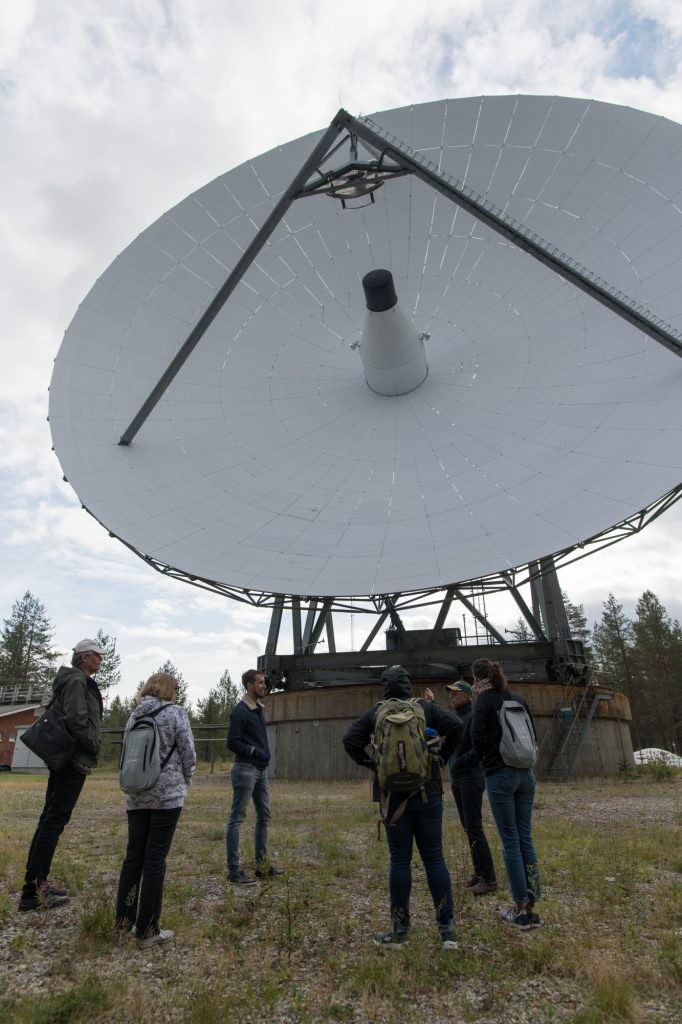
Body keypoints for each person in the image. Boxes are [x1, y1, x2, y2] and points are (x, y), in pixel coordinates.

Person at [342, 666, 463, 949]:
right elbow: (457, 727)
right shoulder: (424, 708)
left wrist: (372, 763)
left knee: (399, 860)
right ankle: (447, 933)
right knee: (434, 858)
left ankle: (399, 931)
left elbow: (349, 740)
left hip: (392, 797)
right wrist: (440, 758)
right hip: (427, 791)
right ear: (409, 686)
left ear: (385, 688)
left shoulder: (377, 712)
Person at [18, 639, 105, 912]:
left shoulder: (70, 680)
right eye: (97, 656)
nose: (101, 661)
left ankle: (37, 882)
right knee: (54, 820)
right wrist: (94, 744)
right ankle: (32, 892)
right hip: (72, 758)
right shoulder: (78, 682)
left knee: (50, 818)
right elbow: (77, 719)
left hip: (64, 757)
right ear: (84, 658)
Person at [115, 672, 196, 947]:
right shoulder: (176, 713)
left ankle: (123, 924)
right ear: (171, 690)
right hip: (167, 796)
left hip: (136, 794)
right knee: (155, 859)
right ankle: (148, 930)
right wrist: (185, 781)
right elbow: (188, 752)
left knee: (133, 857)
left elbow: (126, 754)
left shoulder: (133, 716)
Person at [469, 658, 541, 929]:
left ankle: (520, 908)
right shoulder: (517, 699)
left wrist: (492, 761)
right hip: (526, 774)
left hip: (501, 775)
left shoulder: (484, 702)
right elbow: (532, 734)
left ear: (476, 679)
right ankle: (532, 901)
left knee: (510, 841)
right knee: (526, 838)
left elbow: (477, 738)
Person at [226, 669, 282, 885]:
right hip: (245, 769)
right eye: (260, 682)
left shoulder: (258, 709)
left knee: (264, 816)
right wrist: (253, 751)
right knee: (237, 818)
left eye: (264, 682)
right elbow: (232, 742)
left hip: (260, 771)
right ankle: (234, 871)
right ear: (249, 685)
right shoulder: (240, 711)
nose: (264, 685)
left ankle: (262, 867)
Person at [444, 680, 498, 895]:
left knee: (475, 827)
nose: (451, 697)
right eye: (450, 694)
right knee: (468, 827)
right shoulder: (458, 719)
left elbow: (480, 748)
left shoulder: (473, 717)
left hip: (471, 777)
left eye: (455, 694)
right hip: (458, 779)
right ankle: (479, 872)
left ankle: (490, 879)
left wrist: (459, 762)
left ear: (466, 697)